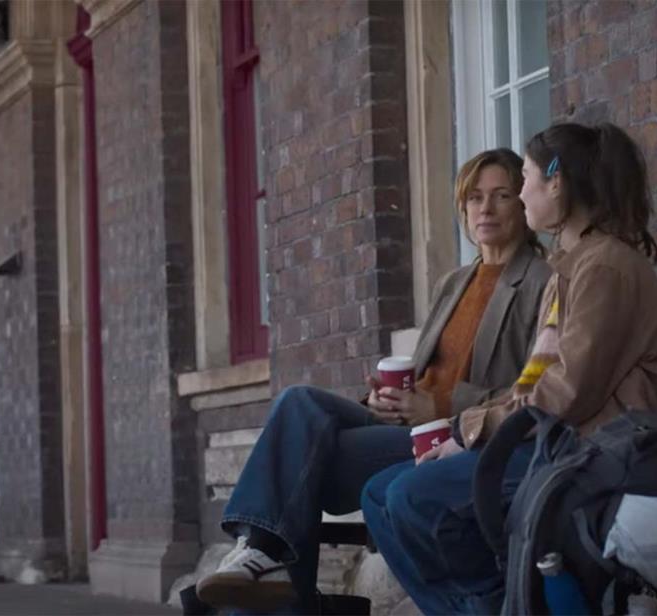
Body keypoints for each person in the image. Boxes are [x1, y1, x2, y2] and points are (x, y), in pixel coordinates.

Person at [195, 148, 551, 613]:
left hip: (454, 437)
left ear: (523, 204)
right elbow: (427, 374)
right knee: (299, 404)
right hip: (405, 424)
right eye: (474, 197)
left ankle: (266, 564)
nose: (485, 208)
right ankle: (266, 559)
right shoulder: (454, 283)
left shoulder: (542, 281)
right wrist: (383, 400)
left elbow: (533, 390)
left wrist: (442, 406)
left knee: (302, 460)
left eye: (501, 195)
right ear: (462, 207)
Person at [361, 122, 657, 614]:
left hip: (588, 455)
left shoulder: (604, 269)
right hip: (549, 442)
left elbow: (567, 394)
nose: (523, 192)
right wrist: (465, 432)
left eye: (525, 179)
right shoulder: (570, 268)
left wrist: (472, 430)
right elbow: (533, 382)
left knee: (411, 497)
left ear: (557, 183)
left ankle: (502, 603)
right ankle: (489, 605)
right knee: (378, 494)